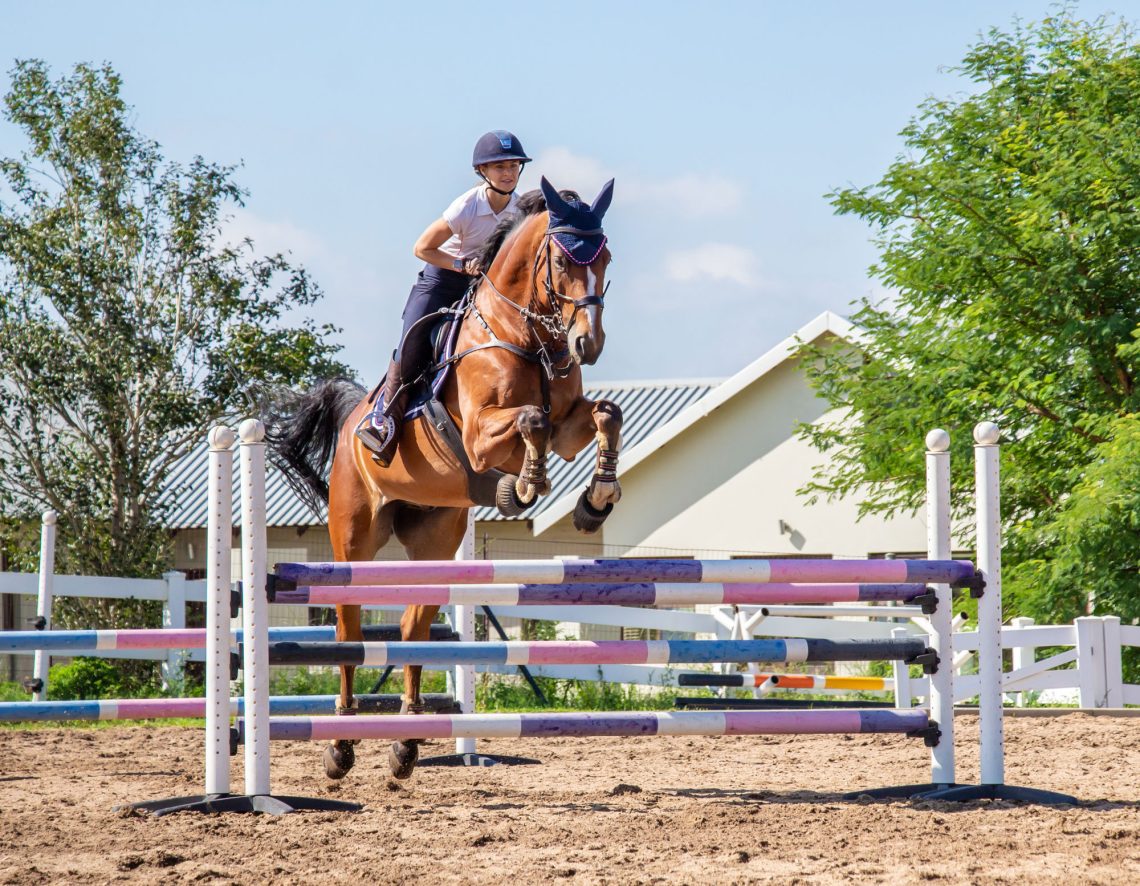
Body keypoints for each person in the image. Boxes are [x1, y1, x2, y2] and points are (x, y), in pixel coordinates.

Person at [355, 130, 532, 466]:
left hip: (482, 286)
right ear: (483, 172)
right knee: (412, 341)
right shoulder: (467, 205)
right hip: (441, 279)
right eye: (499, 167)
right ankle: (382, 418)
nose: (508, 173)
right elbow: (422, 247)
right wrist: (460, 264)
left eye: (513, 166)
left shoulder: (520, 211)